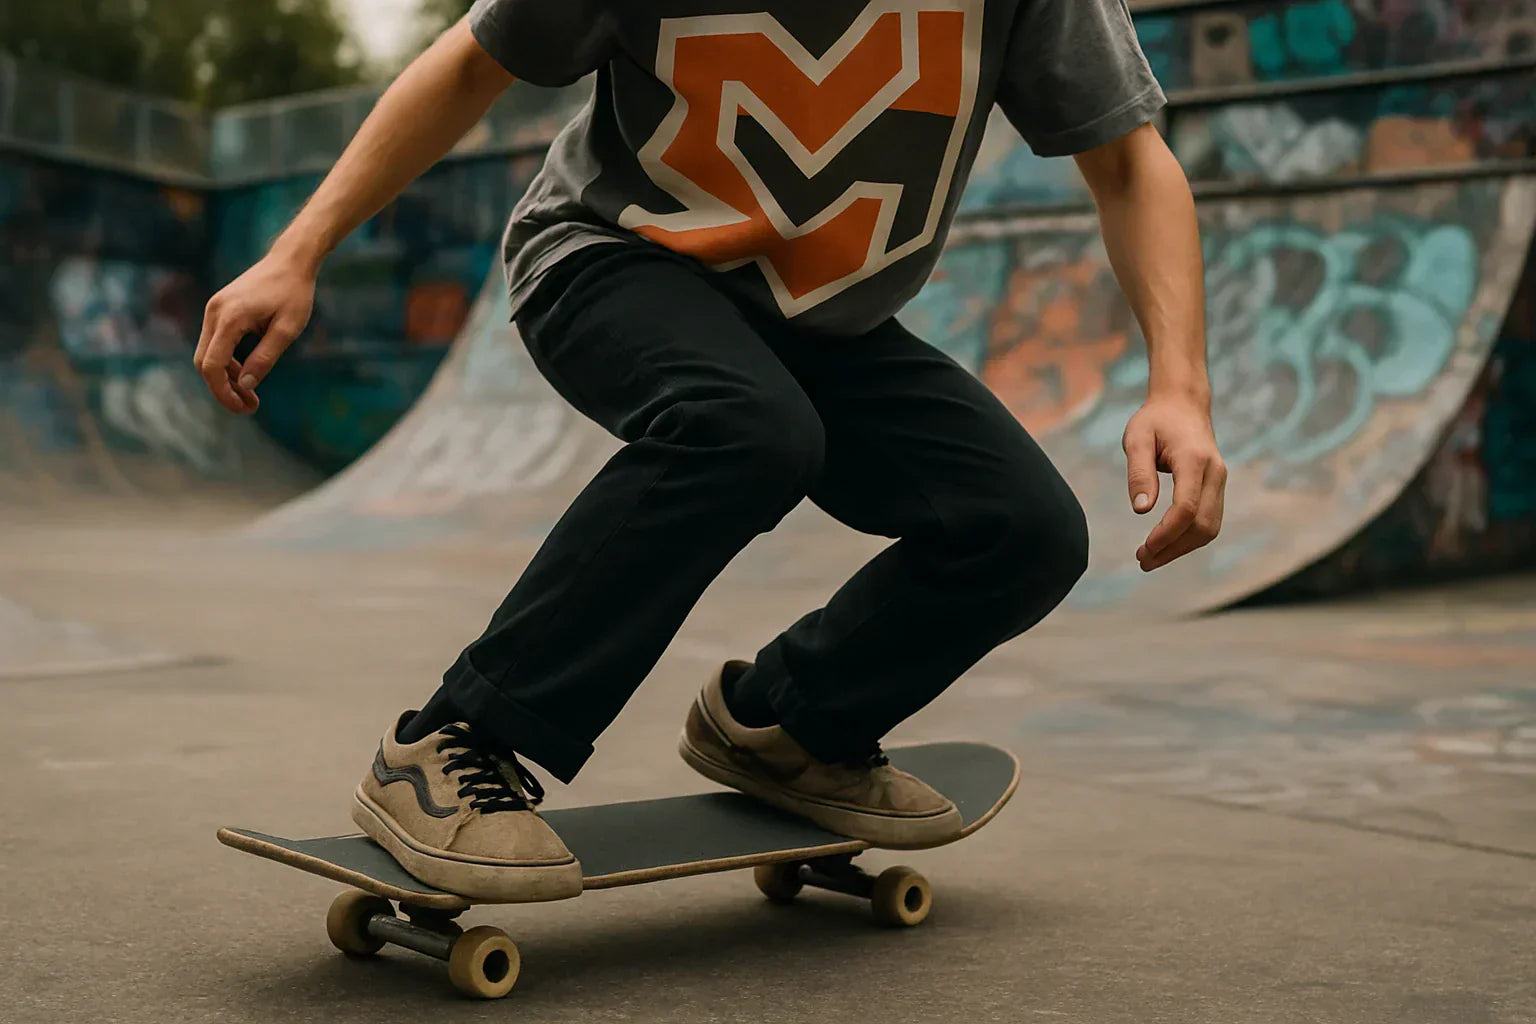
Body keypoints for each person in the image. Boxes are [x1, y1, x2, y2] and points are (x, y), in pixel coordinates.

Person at [195, 0, 1227, 901]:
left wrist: (1179, 386)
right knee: (750, 429)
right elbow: (473, 61)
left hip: (824, 319)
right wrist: (297, 253)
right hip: (612, 255)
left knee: (1022, 529)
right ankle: (453, 744)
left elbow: (1130, 162)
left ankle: (787, 724)